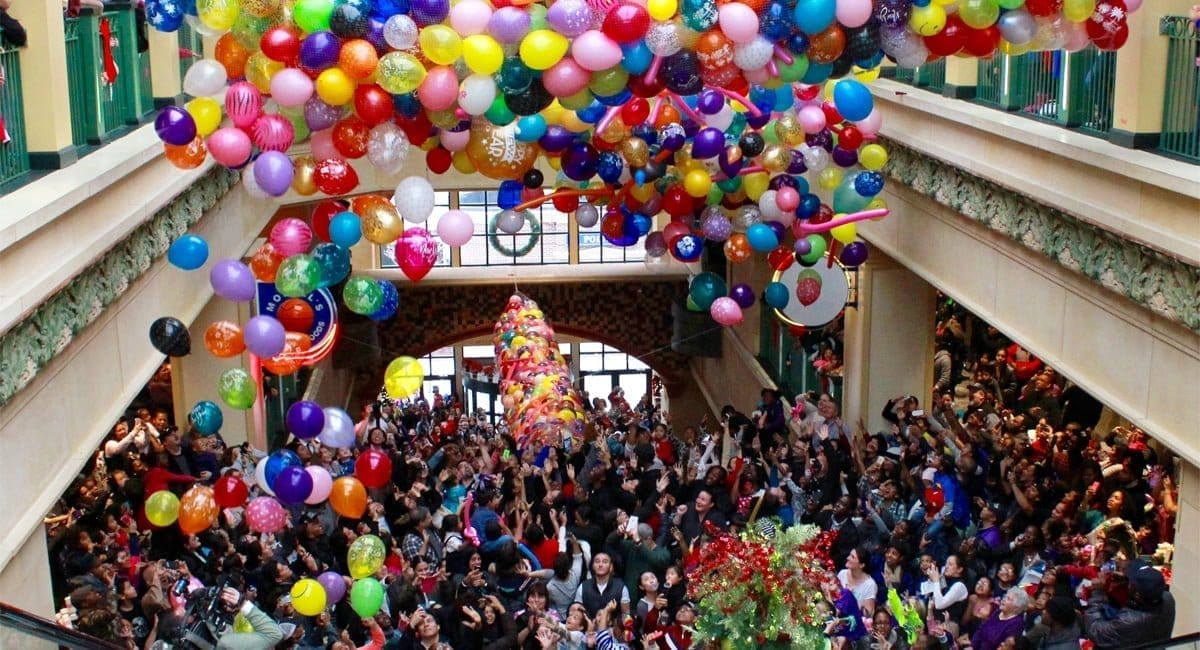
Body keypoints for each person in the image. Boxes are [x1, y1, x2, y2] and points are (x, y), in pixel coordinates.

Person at [1082, 561, 1175, 650]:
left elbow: (1094, 630)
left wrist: (1098, 592)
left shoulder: (1129, 621)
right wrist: (1125, 579)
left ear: (1137, 595)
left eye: (1131, 583)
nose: (1128, 584)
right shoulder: (1168, 599)